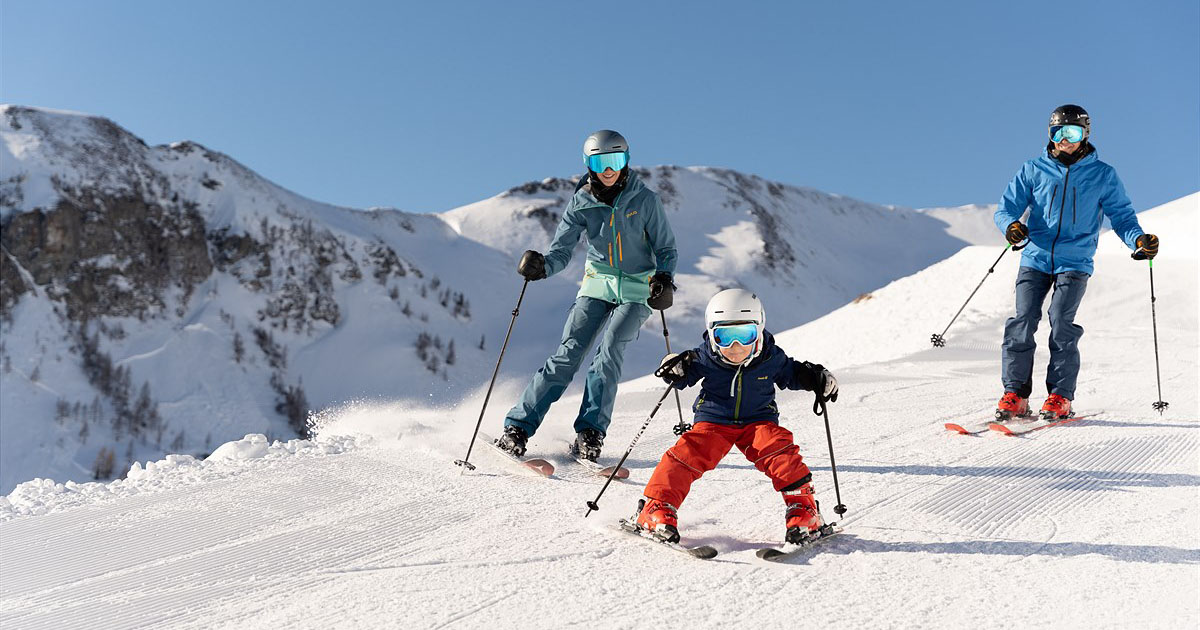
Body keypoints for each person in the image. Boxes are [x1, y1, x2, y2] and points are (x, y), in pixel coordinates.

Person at [495, 130, 678, 461]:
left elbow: (666, 248)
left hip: (638, 287)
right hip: (598, 281)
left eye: (615, 160)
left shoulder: (645, 200)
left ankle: (590, 432)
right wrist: (543, 267)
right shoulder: (581, 202)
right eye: (600, 161)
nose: (609, 169)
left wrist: (663, 278)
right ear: (589, 164)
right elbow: (561, 252)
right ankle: (518, 427)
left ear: (625, 161)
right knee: (568, 355)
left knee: (609, 352)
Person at [632, 289, 839, 545]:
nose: (735, 346)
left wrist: (815, 378)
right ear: (712, 333)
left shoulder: (770, 357)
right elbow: (683, 373)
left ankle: (804, 509)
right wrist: (674, 366)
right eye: (725, 336)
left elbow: (793, 373)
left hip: (758, 421)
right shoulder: (705, 357)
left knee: (780, 451)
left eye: (744, 335)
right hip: (713, 422)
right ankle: (656, 508)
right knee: (686, 455)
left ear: (759, 330)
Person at [993, 104, 1159, 421]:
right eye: (1058, 132)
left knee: (1061, 322)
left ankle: (1059, 397)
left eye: (1072, 132)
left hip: (1076, 259)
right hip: (1035, 256)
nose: (1064, 139)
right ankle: (1015, 394)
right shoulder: (1033, 169)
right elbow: (1005, 209)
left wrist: (1138, 240)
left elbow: (1122, 217)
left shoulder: (1103, 175)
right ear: (1050, 134)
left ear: (1085, 135)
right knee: (1023, 320)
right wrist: (1011, 227)